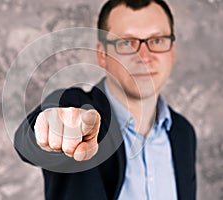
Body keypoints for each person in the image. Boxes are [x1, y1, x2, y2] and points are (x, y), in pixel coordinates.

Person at [14, 0, 197, 199]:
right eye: (126, 43)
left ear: (172, 51)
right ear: (103, 54)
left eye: (157, 40)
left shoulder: (183, 133)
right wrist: (50, 130)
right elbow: (30, 141)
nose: (144, 56)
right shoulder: (78, 109)